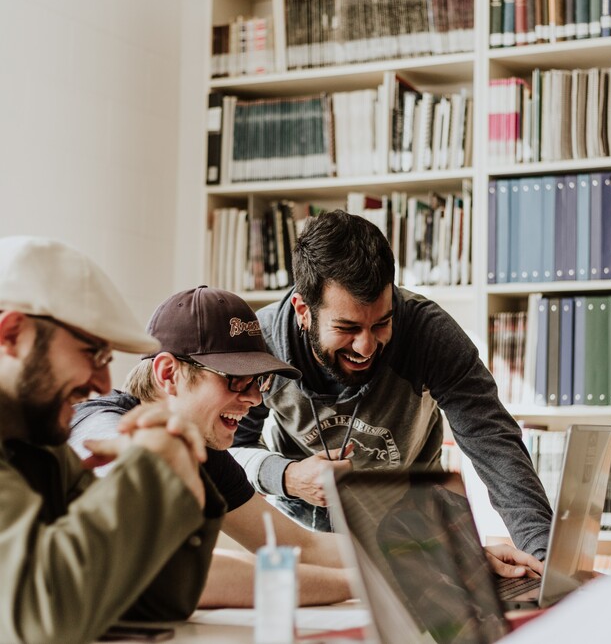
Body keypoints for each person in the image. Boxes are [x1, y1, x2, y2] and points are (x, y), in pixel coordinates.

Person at [231, 209, 554, 561]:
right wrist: (288, 476)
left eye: (381, 323)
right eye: (347, 328)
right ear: (303, 310)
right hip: (305, 541)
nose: (366, 347)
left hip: (414, 534)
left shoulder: (429, 334)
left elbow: (495, 445)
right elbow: (230, 450)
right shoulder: (261, 346)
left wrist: (543, 558)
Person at [0, 236, 225, 644]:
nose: (104, 383)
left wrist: (178, 465)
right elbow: (41, 622)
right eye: (93, 353)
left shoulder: (41, 448)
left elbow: (153, 602)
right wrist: (152, 467)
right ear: (13, 334)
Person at [69, 285, 353, 607]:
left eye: (258, 381)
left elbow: (298, 546)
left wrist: (401, 559)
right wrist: (361, 584)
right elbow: (174, 572)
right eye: (236, 378)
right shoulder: (101, 429)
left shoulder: (203, 451)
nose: (255, 399)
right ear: (168, 374)